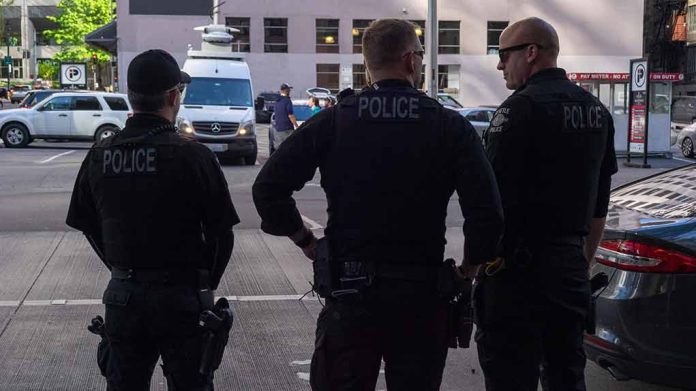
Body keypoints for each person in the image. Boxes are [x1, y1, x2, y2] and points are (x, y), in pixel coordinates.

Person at [253, 19, 503, 391]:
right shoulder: (449, 127)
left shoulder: (334, 121)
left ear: (369, 64)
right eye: (419, 54)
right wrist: (466, 270)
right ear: (409, 60)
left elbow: (268, 189)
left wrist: (307, 240)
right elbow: (486, 214)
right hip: (422, 300)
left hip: (350, 297)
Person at [66, 49, 239, 390]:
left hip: (124, 296)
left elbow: (87, 223)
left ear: (131, 96)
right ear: (174, 96)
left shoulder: (101, 154)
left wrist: (121, 269)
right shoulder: (193, 155)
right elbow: (222, 234)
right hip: (181, 297)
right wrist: (205, 282)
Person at [477, 17, 618, 391]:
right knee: (566, 376)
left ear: (531, 53)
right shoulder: (597, 112)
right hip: (569, 272)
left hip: (516, 278)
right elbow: (598, 207)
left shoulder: (517, 110)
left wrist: (475, 267)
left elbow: (491, 205)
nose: (499, 64)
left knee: (510, 376)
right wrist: (578, 263)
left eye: (504, 54)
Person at [273, 83, 299, 149]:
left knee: (280, 149)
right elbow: (290, 115)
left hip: (278, 129)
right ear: (286, 90)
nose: (290, 91)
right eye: (289, 89)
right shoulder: (287, 101)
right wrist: (297, 126)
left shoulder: (277, 101)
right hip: (287, 129)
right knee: (289, 148)